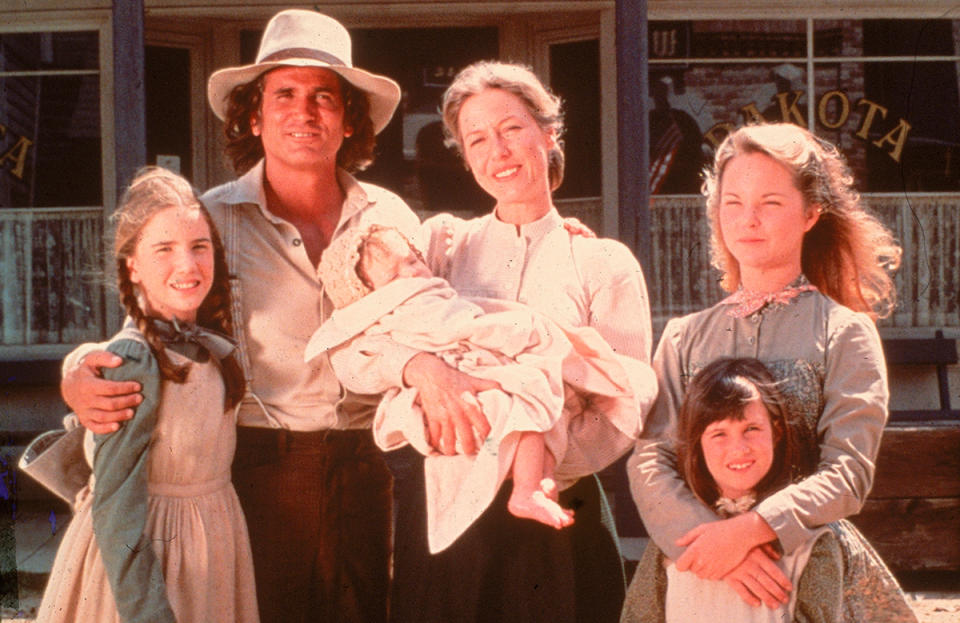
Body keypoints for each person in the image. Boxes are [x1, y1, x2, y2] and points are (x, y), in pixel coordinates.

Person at [58, 10, 420, 623]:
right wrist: (76, 370)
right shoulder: (209, 220)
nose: (304, 112)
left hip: (377, 468)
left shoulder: (392, 218)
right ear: (253, 116)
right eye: (284, 94)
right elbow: (148, 322)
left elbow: (447, 304)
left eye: (324, 96)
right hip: (259, 472)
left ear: (348, 117)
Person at [331, 60, 654, 623]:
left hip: (556, 504)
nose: (497, 151)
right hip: (446, 505)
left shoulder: (600, 261)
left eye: (511, 129)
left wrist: (537, 459)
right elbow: (353, 352)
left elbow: (626, 403)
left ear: (547, 133)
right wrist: (419, 369)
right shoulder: (439, 246)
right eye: (477, 138)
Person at [624, 123, 917, 622]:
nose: (749, 219)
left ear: (811, 214)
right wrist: (711, 546)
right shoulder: (682, 336)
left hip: (805, 567)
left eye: (771, 203)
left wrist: (747, 532)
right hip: (694, 565)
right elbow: (651, 458)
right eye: (733, 203)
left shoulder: (845, 332)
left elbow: (848, 470)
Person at [308, 223, 656, 553]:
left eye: (413, 262)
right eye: (475, 153)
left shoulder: (594, 255)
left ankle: (532, 482)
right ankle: (529, 483)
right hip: (447, 464)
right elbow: (351, 352)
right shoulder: (445, 241)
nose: (412, 273)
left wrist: (557, 444)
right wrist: (418, 367)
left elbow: (628, 391)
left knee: (528, 393)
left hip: (560, 484)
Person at [38, 167, 256, 623]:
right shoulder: (133, 361)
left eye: (199, 247)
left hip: (207, 551)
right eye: (164, 249)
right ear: (132, 263)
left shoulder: (207, 346)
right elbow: (118, 508)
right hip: (147, 566)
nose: (187, 265)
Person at [625, 357, 845, 623]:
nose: (739, 448)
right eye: (719, 434)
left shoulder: (811, 544)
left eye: (751, 429)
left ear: (776, 432)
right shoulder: (675, 541)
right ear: (698, 444)